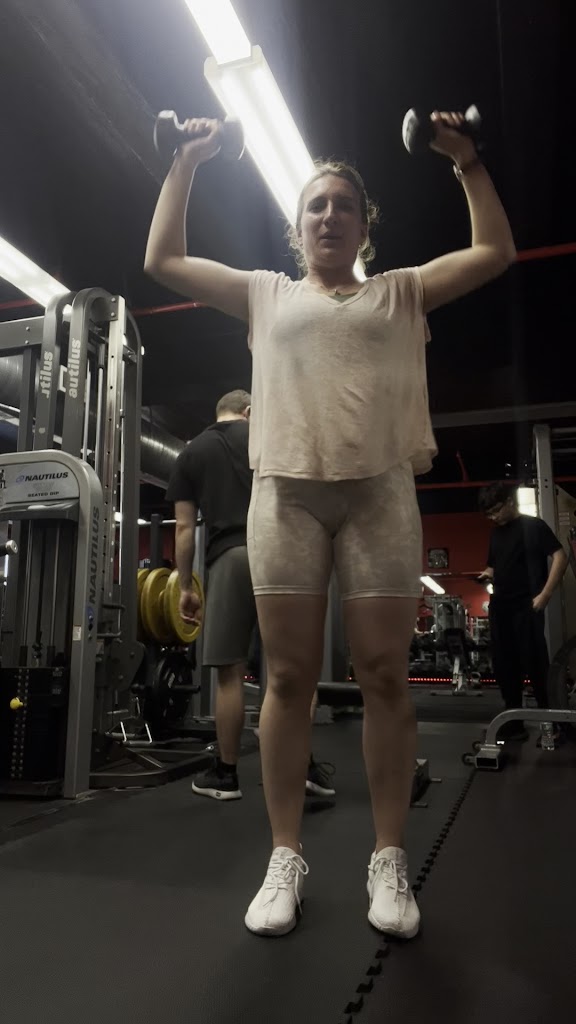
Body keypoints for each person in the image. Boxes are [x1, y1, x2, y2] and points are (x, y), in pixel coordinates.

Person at [145, 109, 516, 939]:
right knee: (287, 678)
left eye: (344, 205)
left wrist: (465, 161)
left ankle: (389, 858)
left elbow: (495, 251)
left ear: (363, 226)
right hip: (286, 496)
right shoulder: (265, 293)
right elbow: (162, 260)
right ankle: (284, 856)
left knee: (384, 674)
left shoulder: (401, 291)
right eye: (316, 205)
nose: (329, 215)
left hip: (379, 493)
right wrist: (188, 161)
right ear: (298, 225)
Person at [165, 389, 335, 801]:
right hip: (279, 552)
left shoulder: (191, 453)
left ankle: (226, 776)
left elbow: (184, 529)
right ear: (249, 411)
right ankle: (302, 767)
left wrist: (186, 586)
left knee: (229, 675)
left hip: (229, 556)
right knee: (291, 670)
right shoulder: (268, 437)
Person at [478, 482, 568, 738]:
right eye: (488, 514)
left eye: (496, 510)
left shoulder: (533, 526)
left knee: (536, 664)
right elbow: (493, 566)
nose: (493, 517)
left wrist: (545, 594)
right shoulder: (496, 534)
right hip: (501, 607)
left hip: (526, 606)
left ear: (509, 501)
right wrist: (486, 574)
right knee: (505, 666)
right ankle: (514, 725)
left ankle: (552, 723)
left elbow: (560, 557)